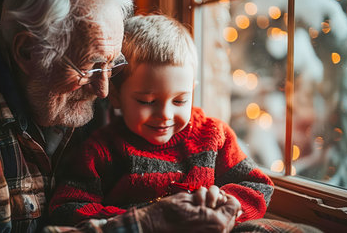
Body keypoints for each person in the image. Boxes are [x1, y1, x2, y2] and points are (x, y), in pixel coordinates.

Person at [0, 0, 242, 232]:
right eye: (91, 66)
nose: (104, 91)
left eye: (112, 66)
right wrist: (149, 223)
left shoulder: (61, 94)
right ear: (28, 51)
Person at [49, 15, 274, 229]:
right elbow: (67, 210)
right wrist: (145, 218)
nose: (165, 114)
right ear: (116, 95)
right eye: (147, 101)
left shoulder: (213, 134)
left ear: (192, 92)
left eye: (180, 100)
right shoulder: (101, 150)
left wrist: (227, 206)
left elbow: (257, 186)